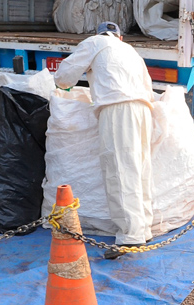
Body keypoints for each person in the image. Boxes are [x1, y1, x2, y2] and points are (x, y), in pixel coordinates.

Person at [53, 21, 154, 259]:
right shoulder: (130, 51)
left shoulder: (95, 42)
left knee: (120, 169)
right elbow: (147, 86)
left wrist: (61, 85)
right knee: (140, 169)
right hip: (142, 109)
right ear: (120, 37)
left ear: (100, 34)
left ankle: (130, 236)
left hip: (117, 108)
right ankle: (144, 228)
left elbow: (65, 77)